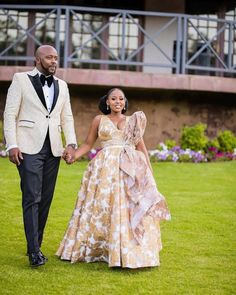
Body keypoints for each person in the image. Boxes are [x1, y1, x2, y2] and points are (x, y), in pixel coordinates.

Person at [56, 88, 171, 268]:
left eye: (121, 99)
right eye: (114, 99)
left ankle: (128, 251)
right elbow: (88, 144)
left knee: (128, 207)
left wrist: (149, 172)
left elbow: (141, 147)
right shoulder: (98, 120)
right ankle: (102, 248)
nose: (118, 101)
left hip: (129, 169)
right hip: (105, 170)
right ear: (107, 102)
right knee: (104, 206)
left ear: (125, 103)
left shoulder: (133, 121)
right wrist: (74, 156)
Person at [3, 45, 77, 267]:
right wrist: (12, 144)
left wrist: (71, 144)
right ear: (37, 59)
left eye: (56, 58)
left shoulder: (62, 85)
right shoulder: (20, 79)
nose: (54, 61)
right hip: (27, 147)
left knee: (45, 198)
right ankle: (35, 252)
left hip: (53, 148)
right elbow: (10, 113)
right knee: (32, 197)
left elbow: (68, 117)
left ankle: (35, 244)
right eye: (49, 57)